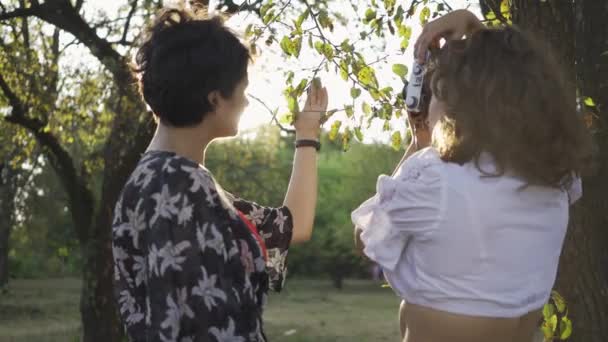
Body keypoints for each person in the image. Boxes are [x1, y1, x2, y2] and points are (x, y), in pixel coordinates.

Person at [352, 9, 592, 342]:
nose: (431, 104)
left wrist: (417, 145)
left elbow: (366, 240)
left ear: (461, 106)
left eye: (437, 94)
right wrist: (472, 26)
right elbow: (508, 74)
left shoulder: (435, 179)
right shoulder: (559, 180)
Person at [111, 7, 328, 342]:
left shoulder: (174, 180)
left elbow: (291, 226)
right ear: (215, 99)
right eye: (242, 89)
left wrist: (307, 133)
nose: (246, 102)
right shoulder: (176, 187)